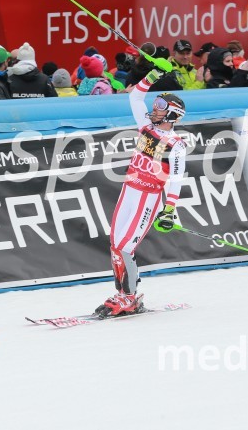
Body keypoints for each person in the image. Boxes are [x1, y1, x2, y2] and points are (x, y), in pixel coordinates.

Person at [95, 57, 187, 318]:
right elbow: (135, 97)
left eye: (160, 105)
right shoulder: (146, 127)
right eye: (156, 104)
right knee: (115, 245)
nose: (154, 108)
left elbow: (176, 178)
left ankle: (130, 298)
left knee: (125, 247)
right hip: (129, 190)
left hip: (148, 196)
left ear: (171, 113)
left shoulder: (176, 144)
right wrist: (155, 73)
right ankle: (124, 294)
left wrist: (169, 209)